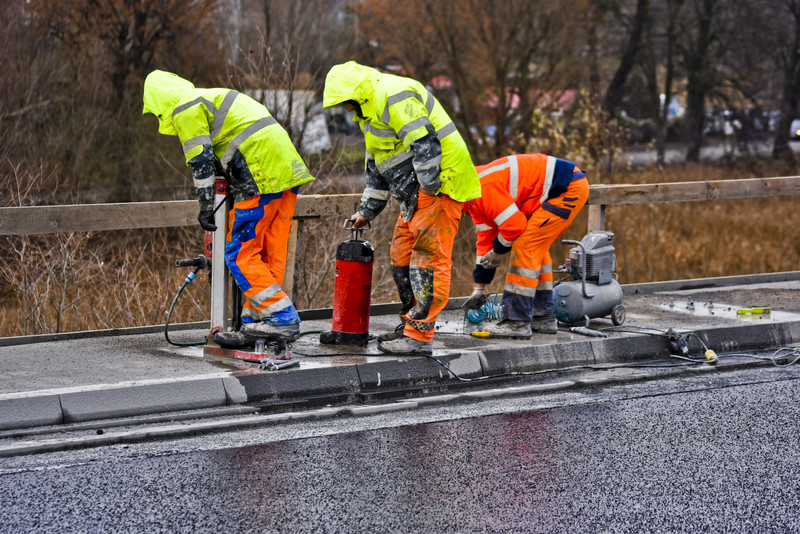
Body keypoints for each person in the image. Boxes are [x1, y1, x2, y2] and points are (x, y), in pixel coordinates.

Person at [322, 61, 481, 355]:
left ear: (356, 94)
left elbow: (425, 143)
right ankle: (410, 325)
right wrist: (365, 212)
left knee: (427, 259)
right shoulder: (369, 118)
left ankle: (419, 336)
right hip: (416, 194)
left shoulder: (391, 93)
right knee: (401, 256)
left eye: (346, 103)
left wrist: (429, 191)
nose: (346, 110)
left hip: (440, 184)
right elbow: (379, 171)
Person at [142, 70, 315, 339]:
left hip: (260, 174)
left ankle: (282, 319)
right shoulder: (207, 97)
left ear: (159, 103)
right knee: (268, 254)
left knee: (239, 254)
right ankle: (255, 324)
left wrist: (205, 206)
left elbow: (200, 161)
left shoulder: (185, 108)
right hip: (286, 171)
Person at [463, 153, 589, 338]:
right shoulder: (473, 200)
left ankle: (516, 322)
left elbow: (515, 225)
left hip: (567, 187)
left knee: (525, 247)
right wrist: (479, 289)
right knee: (537, 249)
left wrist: (498, 252)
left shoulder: (483, 189)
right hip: (565, 184)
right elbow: (485, 243)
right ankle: (543, 317)